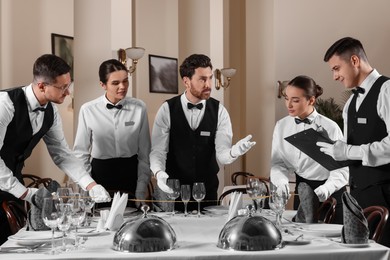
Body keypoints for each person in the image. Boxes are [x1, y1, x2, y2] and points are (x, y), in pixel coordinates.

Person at [0, 54, 111, 244]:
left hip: (11, 182)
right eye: (63, 87)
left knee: (15, 243)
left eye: (69, 85)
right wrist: (26, 193)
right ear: (42, 86)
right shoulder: (5, 103)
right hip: (8, 182)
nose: (68, 93)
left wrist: (90, 185)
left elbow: (62, 154)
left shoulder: (51, 112)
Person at [150, 54, 256, 212]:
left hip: (207, 192)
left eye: (210, 78)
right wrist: (159, 173)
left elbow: (222, 155)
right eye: (202, 79)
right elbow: (158, 150)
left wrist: (234, 152)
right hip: (173, 192)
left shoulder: (220, 111)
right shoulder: (167, 109)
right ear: (186, 81)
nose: (208, 84)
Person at [317, 37, 390, 246]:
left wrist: (347, 151)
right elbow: (350, 151)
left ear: (355, 61)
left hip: (384, 195)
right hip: (358, 197)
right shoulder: (350, 103)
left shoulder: (387, 90)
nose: (334, 76)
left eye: (337, 68)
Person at [270, 75, 349, 224]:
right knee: (301, 240)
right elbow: (278, 163)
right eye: (286, 98)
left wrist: (325, 190)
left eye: (295, 100)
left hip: (330, 195)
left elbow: (342, 169)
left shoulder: (330, 127)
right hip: (303, 191)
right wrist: (280, 182)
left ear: (311, 100)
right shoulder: (281, 126)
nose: (289, 105)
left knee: (330, 245)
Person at [73, 59, 151, 208]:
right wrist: (88, 187)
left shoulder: (139, 108)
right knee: (100, 224)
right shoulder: (88, 110)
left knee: (132, 223)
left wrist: (141, 187)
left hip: (131, 175)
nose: (122, 87)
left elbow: (145, 153)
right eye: (115, 83)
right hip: (100, 176)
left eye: (125, 81)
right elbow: (81, 154)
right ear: (103, 85)